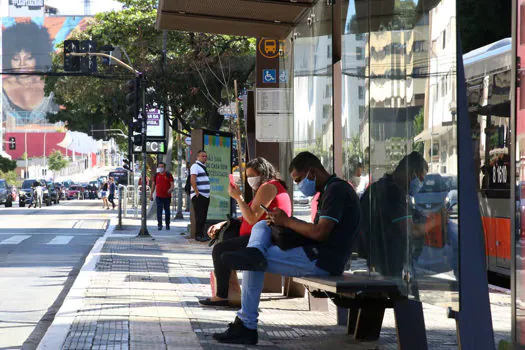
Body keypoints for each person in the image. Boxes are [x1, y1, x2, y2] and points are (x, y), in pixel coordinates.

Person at [212, 152, 361, 345]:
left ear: (312, 172)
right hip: (314, 253)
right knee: (261, 228)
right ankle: (255, 252)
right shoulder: (329, 190)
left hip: (323, 259)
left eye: (299, 179)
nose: (299, 185)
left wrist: (288, 221)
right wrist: (282, 222)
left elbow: (320, 233)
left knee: (252, 262)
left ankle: (246, 325)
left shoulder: (336, 191)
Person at [199, 157, 292, 307]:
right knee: (223, 244)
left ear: (263, 173)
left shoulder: (268, 187)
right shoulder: (267, 187)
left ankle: (222, 295)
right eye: (247, 176)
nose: (250, 180)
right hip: (258, 235)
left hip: (265, 237)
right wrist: (222, 223)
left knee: (220, 249)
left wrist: (238, 198)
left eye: (252, 176)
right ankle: (227, 291)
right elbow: (246, 215)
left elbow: (252, 218)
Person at [359, 151, 428, 280]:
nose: (420, 183)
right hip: (388, 268)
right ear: (412, 173)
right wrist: (436, 221)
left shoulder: (379, 187)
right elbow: (410, 230)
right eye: (421, 178)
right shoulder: (393, 192)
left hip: (377, 264)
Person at [2, 21, 58, 127]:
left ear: (38, 58)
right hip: (9, 143)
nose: (22, 64)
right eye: (16, 58)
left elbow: (64, 125)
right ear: (8, 59)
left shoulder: (53, 88)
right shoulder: (2, 91)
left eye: (28, 58)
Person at [190, 150, 211, 242]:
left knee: (203, 216)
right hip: (200, 196)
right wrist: (197, 192)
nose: (205, 158)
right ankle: (198, 235)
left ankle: (201, 234)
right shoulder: (195, 166)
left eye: (206, 156)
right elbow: (193, 180)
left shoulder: (203, 167)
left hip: (205, 196)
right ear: (197, 157)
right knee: (199, 216)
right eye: (202, 156)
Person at [150, 162, 174, 230]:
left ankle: (167, 224)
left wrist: (171, 189)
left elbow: (172, 184)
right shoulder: (156, 175)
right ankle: (159, 225)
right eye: (159, 167)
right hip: (159, 196)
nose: (161, 168)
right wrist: (151, 194)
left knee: (167, 211)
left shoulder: (168, 175)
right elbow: (153, 185)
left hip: (167, 196)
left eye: (162, 166)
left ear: (164, 167)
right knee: (159, 211)